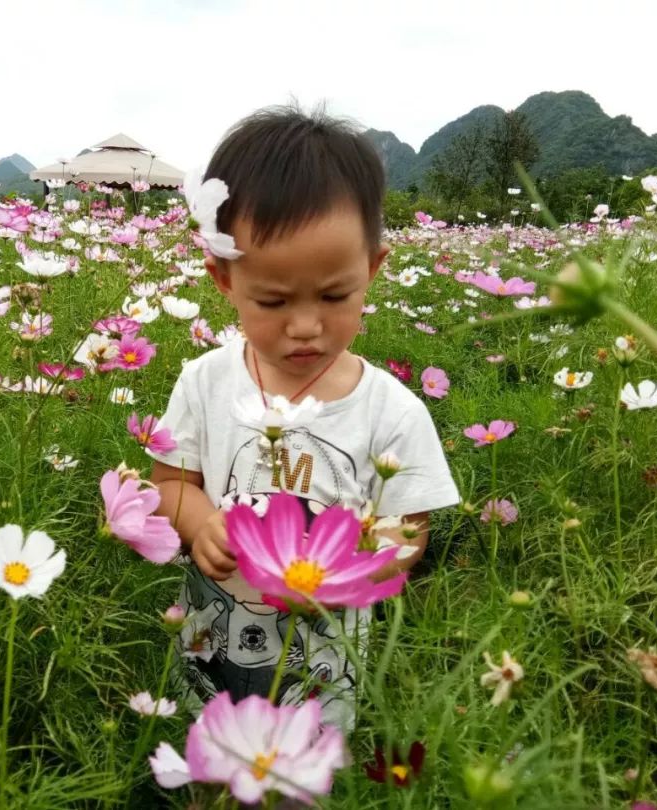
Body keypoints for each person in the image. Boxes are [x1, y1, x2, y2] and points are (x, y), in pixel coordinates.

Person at [146, 105, 459, 729]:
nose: (306, 325)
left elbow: (408, 533)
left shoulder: (391, 411)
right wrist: (202, 523)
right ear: (223, 278)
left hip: (324, 664)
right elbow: (170, 484)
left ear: (372, 269)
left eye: (335, 296)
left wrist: (349, 574)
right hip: (213, 639)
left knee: (308, 770)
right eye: (273, 300)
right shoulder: (205, 382)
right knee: (204, 750)